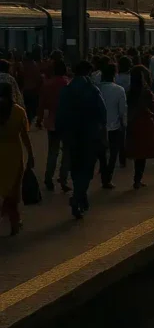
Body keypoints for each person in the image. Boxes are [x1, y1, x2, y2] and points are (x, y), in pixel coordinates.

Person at [56, 61, 107, 219]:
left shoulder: (66, 90)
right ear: (88, 72)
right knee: (87, 169)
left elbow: (60, 114)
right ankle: (78, 197)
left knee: (76, 166)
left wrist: (62, 133)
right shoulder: (92, 90)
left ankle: (81, 197)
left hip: (71, 135)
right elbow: (102, 113)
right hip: (89, 135)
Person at [0, 83, 33, 235]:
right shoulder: (18, 111)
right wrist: (31, 155)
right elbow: (25, 136)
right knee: (13, 191)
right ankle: (14, 222)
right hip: (14, 153)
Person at [125, 66, 154, 189]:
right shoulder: (147, 93)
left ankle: (137, 179)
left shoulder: (129, 93)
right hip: (145, 124)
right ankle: (138, 179)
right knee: (143, 154)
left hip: (133, 124)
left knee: (137, 152)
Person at [38, 59, 70, 192]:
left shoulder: (47, 84)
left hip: (51, 120)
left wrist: (39, 119)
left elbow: (42, 104)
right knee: (67, 152)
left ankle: (48, 177)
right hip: (66, 121)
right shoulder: (67, 83)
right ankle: (63, 179)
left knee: (53, 151)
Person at [97, 63, 128, 188]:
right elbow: (122, 110)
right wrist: (124, 124)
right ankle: (107, 178)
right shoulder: (119, 90)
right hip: (114, 127)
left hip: (99, 127)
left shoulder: (97, 88)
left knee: (102, 154)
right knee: (113, 153)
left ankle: (103, 172)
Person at [20, 48, 42, 124]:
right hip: (34, 90)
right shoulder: (35, 65)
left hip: (26, 89)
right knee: (33, 108)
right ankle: (30, 120)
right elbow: (38, 79)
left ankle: (27, 121)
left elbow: (20, 77)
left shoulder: (23, 65)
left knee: (26, 107)